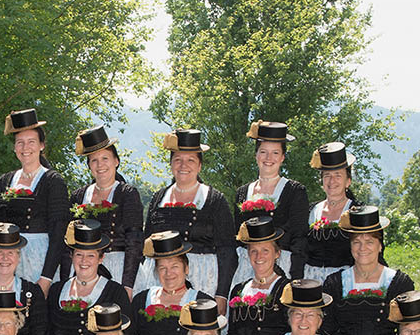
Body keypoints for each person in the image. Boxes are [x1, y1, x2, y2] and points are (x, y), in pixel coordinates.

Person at [135, 129, 236, 314]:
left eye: (191, 160)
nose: (183, 165)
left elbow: (227, 249)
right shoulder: (159, 198)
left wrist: (221, 294)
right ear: (171, 164)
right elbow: (146, 243)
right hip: (161, 277)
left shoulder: (214, 200)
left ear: (199, 166)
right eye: (178, 160)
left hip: (204, 278)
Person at [322, 205, 414, 335]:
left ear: (380, 245)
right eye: (357, 242)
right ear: (350, 246)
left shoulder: (399, 282)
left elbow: (410, 326)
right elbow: (326, 330)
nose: (362, 248)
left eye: (369, 241)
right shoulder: (335, 283)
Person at [45, 220, 132, 335]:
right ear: (72, 257)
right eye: (79, 255)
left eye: (91, 256)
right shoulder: (56, 290)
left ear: (101, 259)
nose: (84, 261)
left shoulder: (115, 292)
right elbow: (46, 332)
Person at [0, 109, 69, 291]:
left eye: (31, 142)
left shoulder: (53, 181)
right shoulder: (4, 181)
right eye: (20, 143)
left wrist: (46, 277)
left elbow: (58, 233)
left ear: (42, 145)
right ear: (14, 147)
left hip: (40, 261)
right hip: (6, 260)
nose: (26, 148)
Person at [128, 230, 212, 335]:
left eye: (174, 266)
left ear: (186, 268)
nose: (169, 274)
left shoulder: (201, 302)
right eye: (162, 268)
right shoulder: (143, 299)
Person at [64, 125, 143, 293]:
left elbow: (134, 242)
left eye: (105, 158)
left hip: (119, 268)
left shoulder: (127, 194)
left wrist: (127, 284)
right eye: (94, 160)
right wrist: (66, 278)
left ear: (116, 161)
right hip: (83, 268)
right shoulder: (78, 196)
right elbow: (68, 242)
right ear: (89, 165)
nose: (100, 165)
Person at [233, 121, 308, 282]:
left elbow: (299, 238)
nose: (268, 158)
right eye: (263, 152)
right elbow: (237, 239)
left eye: (275, 153)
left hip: (284, 266)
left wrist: (295, 278)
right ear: (256, 155)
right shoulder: (242, 193)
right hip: (247, 267)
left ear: (282, 157)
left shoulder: (295, 191)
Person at [222, 216, 292, 335]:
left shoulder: (287, 289)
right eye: (253, 250)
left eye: (265, 250)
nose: (259, 256)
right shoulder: (239, 289)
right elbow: (231, 333)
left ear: (277, 253)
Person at [304, 142, 360, 283]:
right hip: (311, 279)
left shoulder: (357, 211)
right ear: (321, 181)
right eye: (327, 175)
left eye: (338, 175)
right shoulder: (310, 211)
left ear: (348, 181)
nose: (332, 181)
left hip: (345, 280)